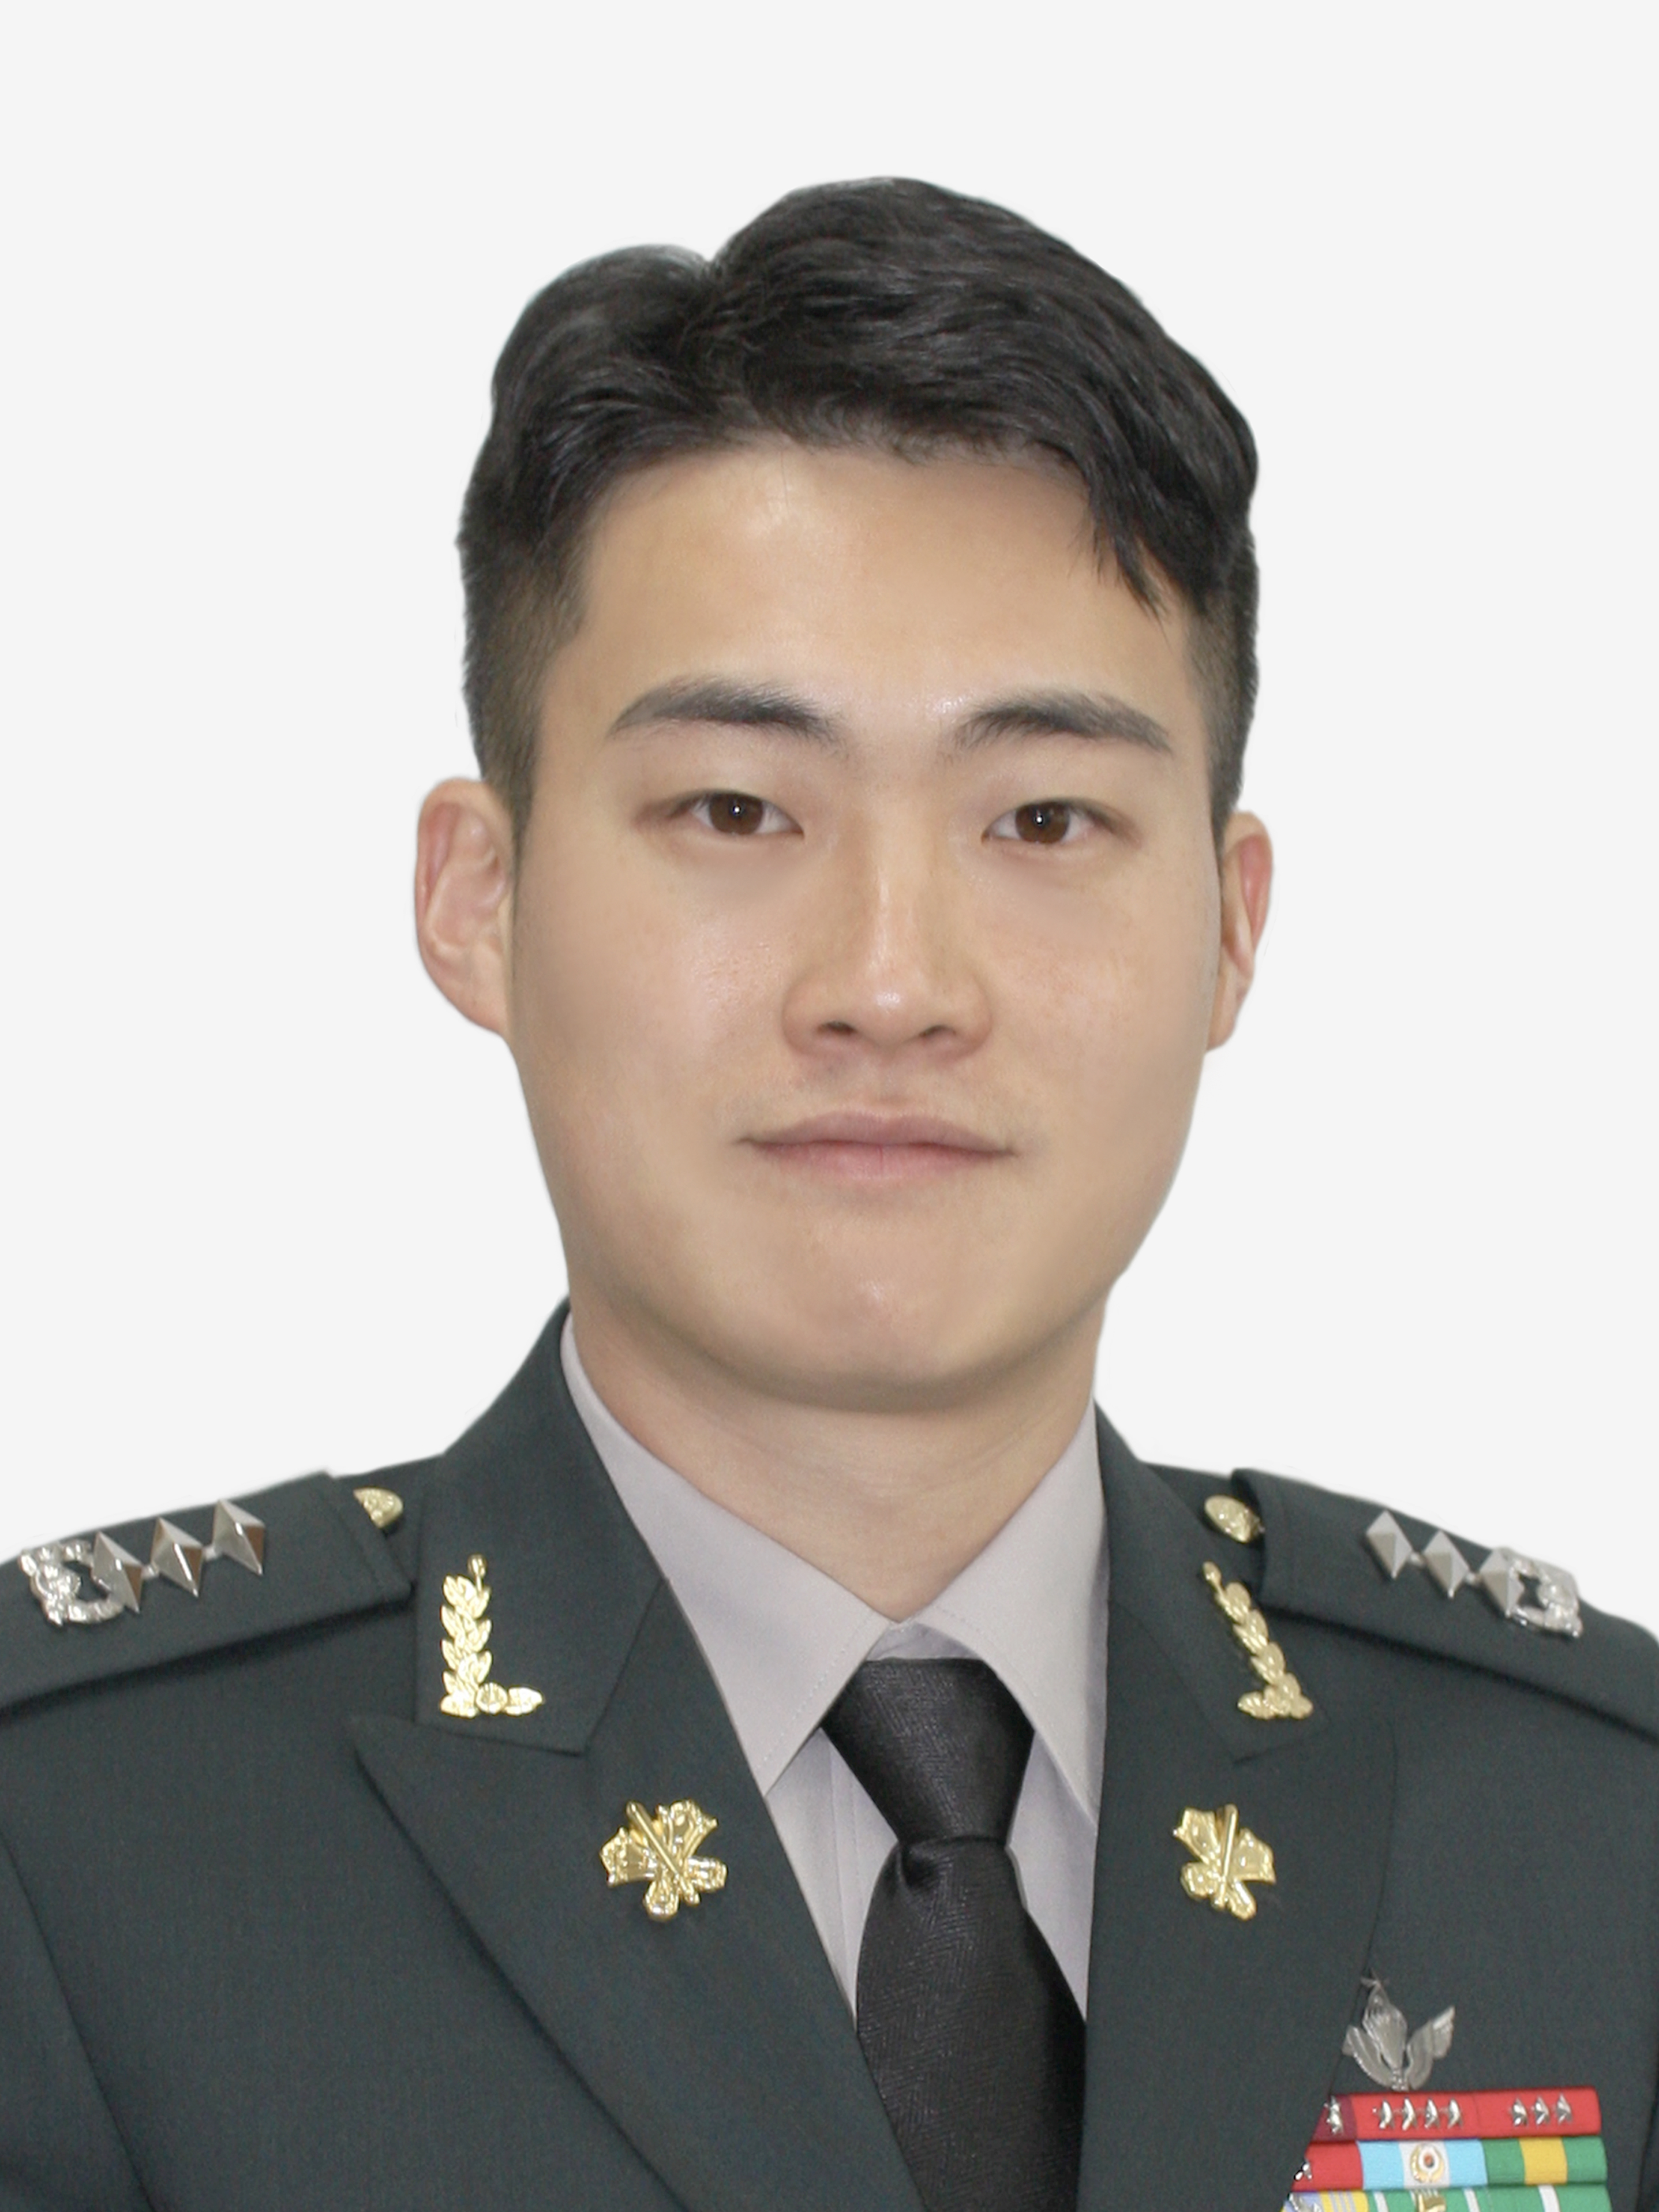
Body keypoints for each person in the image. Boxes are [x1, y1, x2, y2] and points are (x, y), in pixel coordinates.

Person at [1, 178, 1654, 2212]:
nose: (889, 981)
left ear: (1229, 929)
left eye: (1043, 817)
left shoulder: (1588, 1833)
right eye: (734, 808)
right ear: (477, 898)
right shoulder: (72, 1845)